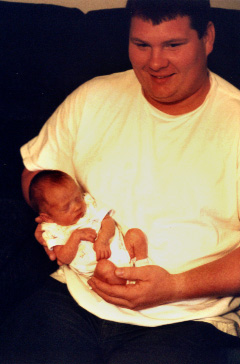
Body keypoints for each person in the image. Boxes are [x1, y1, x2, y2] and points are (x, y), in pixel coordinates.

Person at [1, 0, 240, 363]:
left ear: (207, 38)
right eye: (141, 45)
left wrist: (175, 286)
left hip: (187, 315)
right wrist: (49, 213)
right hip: (75, 294)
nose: (155, 62)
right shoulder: (94, 96)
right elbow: (36, 170)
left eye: (173, 45)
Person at [29, 169, 149, 285]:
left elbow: (108, 221)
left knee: (135, 234)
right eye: (66, 207)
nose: (77, 206)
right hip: (98, 269)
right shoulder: (53, 230)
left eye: (78, 197)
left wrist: (103, 240)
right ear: (47, 217)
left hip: (123, 249)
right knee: (104, 267)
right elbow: (63, 258)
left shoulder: (88, 205)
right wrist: (76, 237)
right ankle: (128, 282)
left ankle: (143, 268)